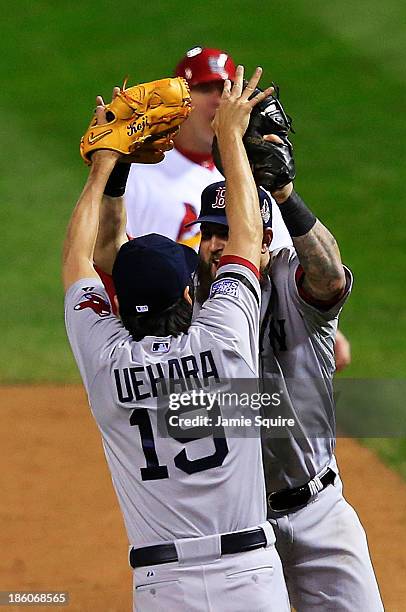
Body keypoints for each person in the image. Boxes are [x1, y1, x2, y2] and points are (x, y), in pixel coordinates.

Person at [63, 67, 289, 611]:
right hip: (250, 576)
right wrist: (230, 139)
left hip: (163, 586)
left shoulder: (105, 363)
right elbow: (248, 233)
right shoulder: (225, 338)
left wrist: (104, 169)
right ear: (191, 296)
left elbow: (79, 261)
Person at [188, 177, 384, 610]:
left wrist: (285, 196)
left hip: (318, 509)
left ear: (266, 238)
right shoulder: (191, 295)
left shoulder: (288, 279)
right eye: (210, 233)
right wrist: (112, 172)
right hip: (242, 523)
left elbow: (330, 277)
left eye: (232, 231)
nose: (218, 245)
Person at [124, 45, 351, 371]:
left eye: (225, 88)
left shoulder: (257, 170)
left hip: (255, 330)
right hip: (178, 338)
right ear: (182, 101)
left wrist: (326, 322)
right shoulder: (144, 174)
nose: (218, 99)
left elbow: (288, 259)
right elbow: (124, 264)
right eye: (204, 88)